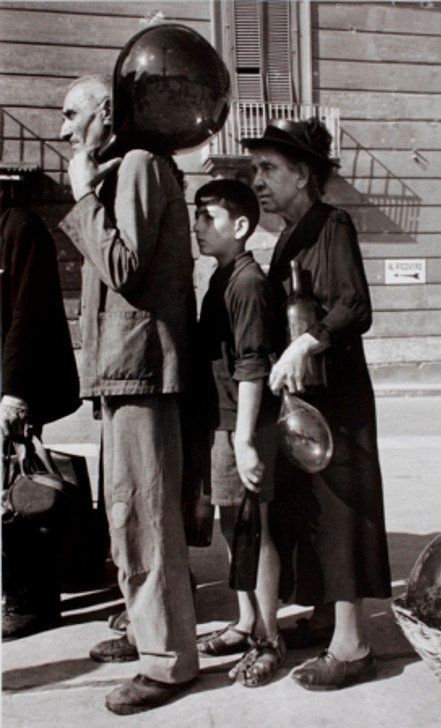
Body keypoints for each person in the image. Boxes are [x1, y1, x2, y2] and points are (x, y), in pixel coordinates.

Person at [59, 74, 198, 714]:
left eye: (70, 115)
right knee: (125, 515)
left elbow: (124, 268)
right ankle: (149, 634)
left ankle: (168, 663)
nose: (63, 129)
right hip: (124, 372)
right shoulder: (128, 167)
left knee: (143, 518)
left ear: (105, 115)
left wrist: (84, 195)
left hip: (142, 370)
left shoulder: (138, 165)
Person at [242, 118, 392, 690]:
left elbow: (355, 306)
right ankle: (330, 617)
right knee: (314, 514)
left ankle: (353, 648)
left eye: (268, 169)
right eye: (256, 169)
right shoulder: (290, 234)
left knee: (342, 516)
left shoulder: (334, 223)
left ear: (303, 174)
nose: (257, 179)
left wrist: (306, 342)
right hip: (308, 403)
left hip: (339, 403)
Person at [193, 179, 285, 687]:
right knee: (234, 526)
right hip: (223, 421)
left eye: (209, 216)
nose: (198, 225)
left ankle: (270, 639)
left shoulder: (247, 282)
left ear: (242, 227)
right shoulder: (220, 276)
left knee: (255, 529)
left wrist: (246, 440)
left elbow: (253, 364)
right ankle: (248, 620)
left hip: (241, 424)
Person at [1, 181, 80, 639]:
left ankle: (33, 602)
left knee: (20, 496)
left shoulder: (21, 227)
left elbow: (28, 316)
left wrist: (15, 392)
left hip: (10, 391)